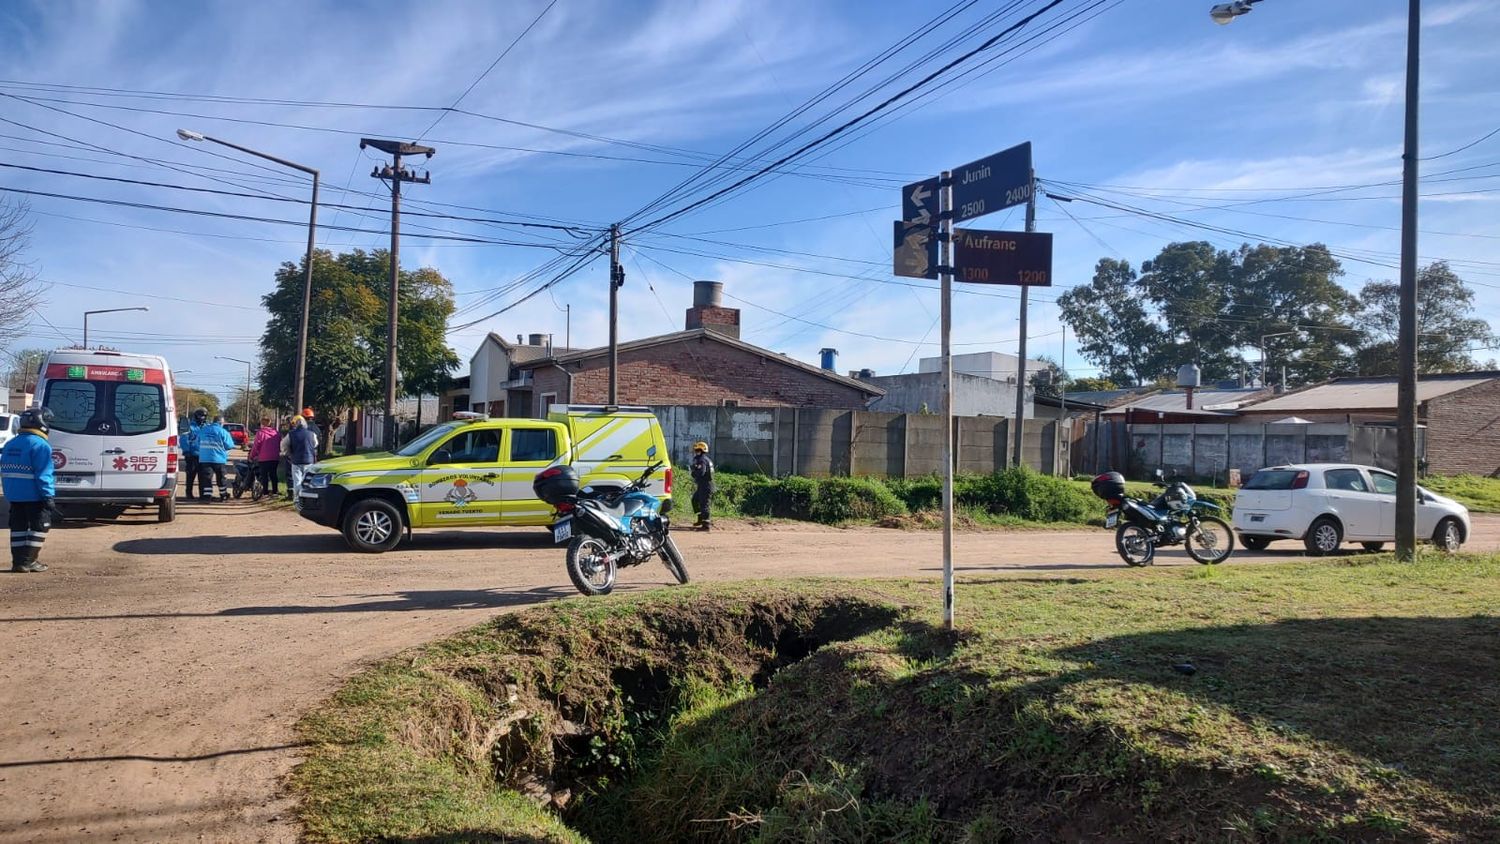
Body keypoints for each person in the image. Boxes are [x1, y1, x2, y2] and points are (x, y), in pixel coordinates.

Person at [2, 408, 57, 572]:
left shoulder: (11, 443)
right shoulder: (41, 445)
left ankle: (18, 562)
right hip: (34, 495)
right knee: (40, 527)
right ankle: (29, 561)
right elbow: (44, 473)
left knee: (18, 528)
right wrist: (48, 496)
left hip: (14, 495)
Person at [196, 414, 234, 502]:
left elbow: (197, 443)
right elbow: (229, 445)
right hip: (219, 459)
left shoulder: (203, 430)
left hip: (205, 459)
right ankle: (223, 495)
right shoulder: (223, 432)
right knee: (221, 478)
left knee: (207, 478)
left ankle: (207, 497)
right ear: (221, 422)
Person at [286, 413, 318, 501]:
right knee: (308, 480)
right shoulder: (312, 434)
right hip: (309, 460)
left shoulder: (291, 434)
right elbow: (315, 444)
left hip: (296, 460)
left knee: (297, 481)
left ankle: (297, 498)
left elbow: (283, 445)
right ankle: (308, 497)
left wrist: (288, 452)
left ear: (295, 424)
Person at [249, 415, 281, 496]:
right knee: (273, 474)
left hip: (264, 458)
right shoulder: (276, 433)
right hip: (275, 457)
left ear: (262, 424)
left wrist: (252, 456)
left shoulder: (260, 433)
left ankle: (265, 492)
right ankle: (275, 491)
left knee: (264, 475)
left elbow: (256, 446)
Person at [180, 408, 206, 501]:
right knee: (190, 475)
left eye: (203, 416)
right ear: (196, 416)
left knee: (203, 477)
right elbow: (183, 439)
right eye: (200, 416)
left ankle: (203, 495)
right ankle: (189, 493)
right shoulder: (190, 426)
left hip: (204, 456)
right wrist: (186, 451)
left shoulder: (206, 427)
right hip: (192, 455)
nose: (202, 418)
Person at [690, 441, 714, 530]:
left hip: (705, 485)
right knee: (695, 500)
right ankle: (701, 518)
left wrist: (694, 471)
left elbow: (701, 472)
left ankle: (706, 524)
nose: (696, 452)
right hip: (703, 485)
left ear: (701, 451)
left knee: (704, 504)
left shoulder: (702, 460)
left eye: (697, 450)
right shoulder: (705, 459)